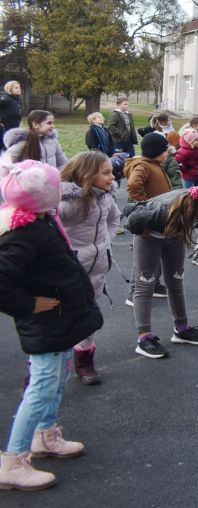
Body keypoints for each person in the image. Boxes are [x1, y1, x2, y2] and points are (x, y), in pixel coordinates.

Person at [0, 160, 103, 491]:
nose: (60, 191)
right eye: (54, 187)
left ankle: (44, 435)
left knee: (57, 378)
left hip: (60, 321)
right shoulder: (24, 232)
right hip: (46, 323)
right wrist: (29, 305)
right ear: (41, 194)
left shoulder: (41, 220)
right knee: (42, 384)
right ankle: (12, 461)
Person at [125, 182, 198, 357]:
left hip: (174, 236)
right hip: (149, 237)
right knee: (145, 284)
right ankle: (144, 339)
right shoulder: (164, 210)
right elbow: (132, 215)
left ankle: (181, 329)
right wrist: (140, 228)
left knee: (176, 281)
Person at [58, 151, 118, 385]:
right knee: (62, 318)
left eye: (111, 172)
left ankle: (84, 359)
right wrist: (63, 253)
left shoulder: (105, 198)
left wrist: (105, 243)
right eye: (106, 173)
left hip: (96, 268)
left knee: (89, 316)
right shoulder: (67, 202)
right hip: (70, 269)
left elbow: (113, 219)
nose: (112, 177)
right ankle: (47, 366)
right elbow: (46, 225)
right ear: (87, 175)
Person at [0, 110, 67, 177]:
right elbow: (5, 163)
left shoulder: (53, 142)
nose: (53, 126)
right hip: (29, 182)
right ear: (35, 124)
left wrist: (58, 176)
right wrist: (20, 175)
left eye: (53, 123)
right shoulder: (24, 142)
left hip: (51, 181)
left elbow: (62, 162)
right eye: (49, 123)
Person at [0, 80, 23, 154]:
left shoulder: (16, 99)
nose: (19, 89)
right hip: (5, 129)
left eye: (19, 87)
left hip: (14, 128)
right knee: (4, 149)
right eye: (16, 88)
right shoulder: (5, 98)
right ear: (10, 89)